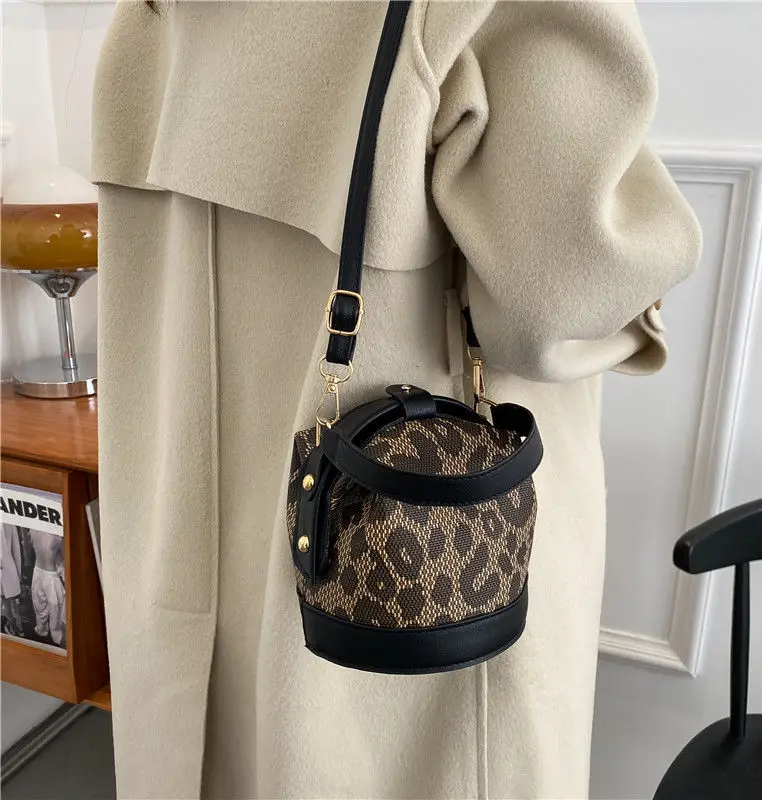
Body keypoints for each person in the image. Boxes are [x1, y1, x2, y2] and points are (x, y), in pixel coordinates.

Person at [92, 2, 701, 798]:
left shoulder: (147, 14)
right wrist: (652, 271)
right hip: (419, 572)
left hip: (181, 536)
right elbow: (557, 300)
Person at [29, 530, 66, 647]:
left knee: (56, 609)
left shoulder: (57, 533)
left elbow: (65, 557)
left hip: (51, 575)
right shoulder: (33, 526)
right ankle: (42, 631)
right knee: (39, 604)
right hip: (38, 570)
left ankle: (57, 639)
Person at [1, 524, 24, 637]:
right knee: (10, 601)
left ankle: (14, 626)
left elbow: (16, 552)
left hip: (8, 571)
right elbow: (16, 553)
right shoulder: (10, 525)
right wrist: (18, 576)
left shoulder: (10, 525)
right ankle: (16, 627)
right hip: (10, 570)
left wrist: (18, 576)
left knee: (9, 601)